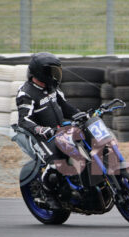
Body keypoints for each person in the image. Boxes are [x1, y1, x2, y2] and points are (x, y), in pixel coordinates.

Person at [16, 52, 81, 208]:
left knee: (85, 143)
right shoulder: (26, 93)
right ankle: (46, 193)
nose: (55, 75)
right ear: (41, 72)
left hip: (59, 130)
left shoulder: (52, 87)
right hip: (40, 136)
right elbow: (23, 120)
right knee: (55, 161)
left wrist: (81, 114)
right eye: (52, 71)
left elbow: (65, 106)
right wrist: (41, 130)